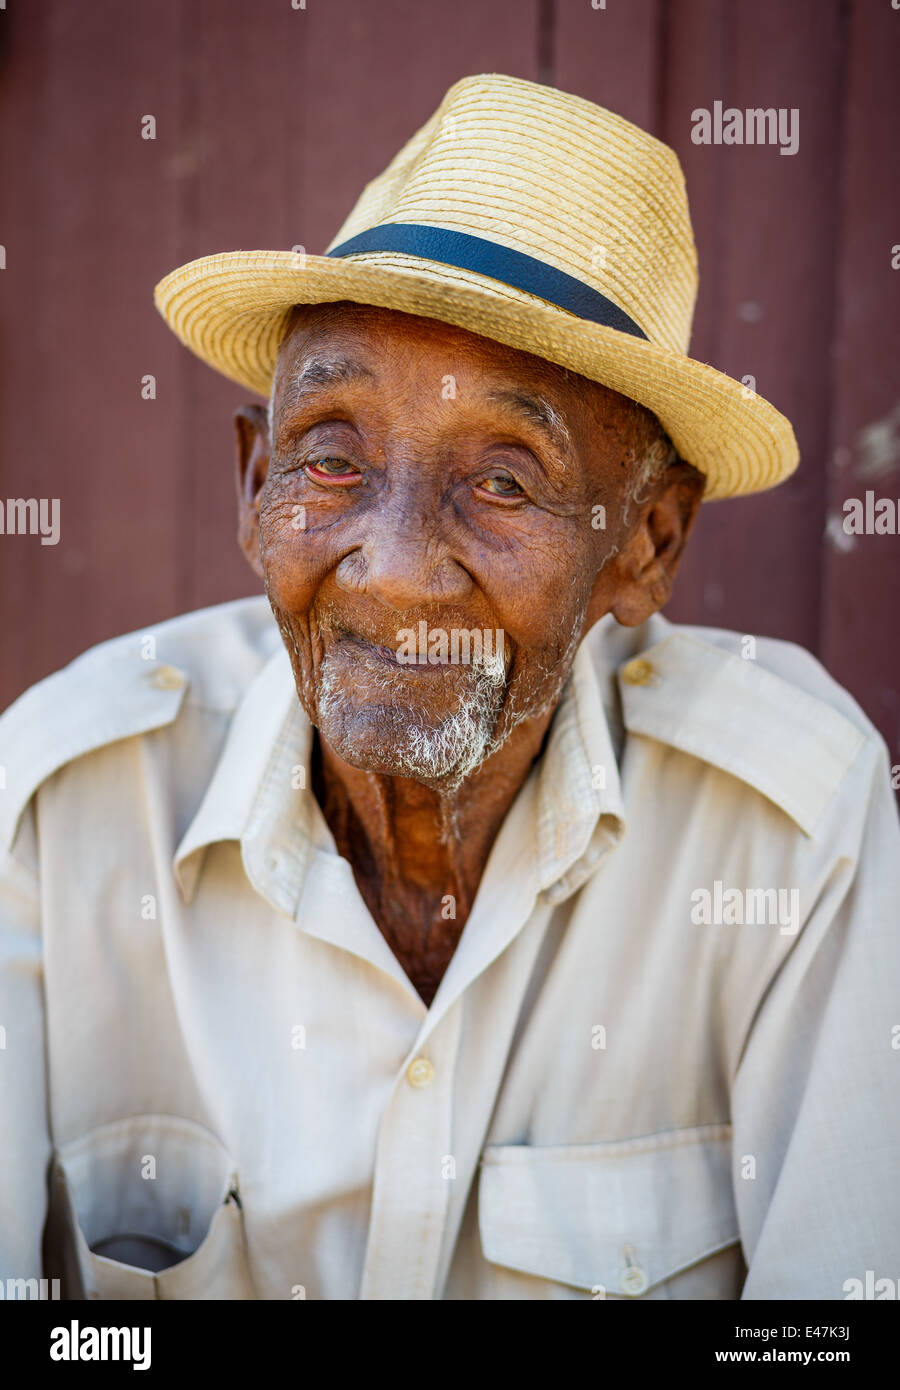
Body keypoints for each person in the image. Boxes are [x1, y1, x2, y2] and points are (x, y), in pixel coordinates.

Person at [1, 72, 897, 1301]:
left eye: (507, 482)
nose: (398, 569)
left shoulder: (789, 835)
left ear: (646, 546)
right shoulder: (59, 809)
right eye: (331, 459)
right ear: (256, 484)